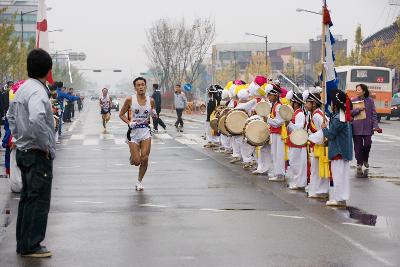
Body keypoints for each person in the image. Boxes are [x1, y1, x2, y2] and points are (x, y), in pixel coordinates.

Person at [7, 48, 55, 258]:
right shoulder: (38, 91)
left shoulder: (23, 89)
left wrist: (19, 138)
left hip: (24, 151)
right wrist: (45, 144)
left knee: (27, 199)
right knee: (38, 200)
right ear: (48, 70)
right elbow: (36, 119)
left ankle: (23, 242)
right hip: (37, 153)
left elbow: (9, 116)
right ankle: (32, 245)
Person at [119, 77, 156, 191]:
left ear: (146, 86)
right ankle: (133, 157)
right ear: (135, 87)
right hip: (133, 133)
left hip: (145, 131)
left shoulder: (151, 100)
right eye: (138, 85)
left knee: (145, 158)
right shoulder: (130, 99)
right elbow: (121, 114)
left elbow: (152, 113)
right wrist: (129, 123)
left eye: (142, 84)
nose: (141, 87)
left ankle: (139, 181)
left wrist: (154, 115)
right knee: (137, 162)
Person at [322, 89, 353, 206]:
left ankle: (339, 198)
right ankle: (341, 197)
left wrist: (324, 128)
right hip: (343, 151)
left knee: (338, 176)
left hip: (338, 151)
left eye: (332, 102)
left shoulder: (338, 118)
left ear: (336, 104)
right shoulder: (342, 116)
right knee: (342, 177)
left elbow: (330, 135)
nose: (331, 104)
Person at [304, 89, 330, 199]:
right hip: (317, 144)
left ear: (314, 104)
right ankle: (317, 189)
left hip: (319, 145)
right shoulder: (315, 113)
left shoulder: (317, 115)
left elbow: (324, 130)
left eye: (307, 103)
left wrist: (310, 137)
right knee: (316, 169)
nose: (305, 105)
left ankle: (319, 191)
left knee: (317, 169)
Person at [351, 84, 381, 173]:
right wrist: (358, 109)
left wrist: (376, 125)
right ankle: (359, 163)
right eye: (356, 90)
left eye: (359, 90)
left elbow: (374, 114)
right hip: (356, 127)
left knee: (367, 144)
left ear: (364, 91)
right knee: (358, 147)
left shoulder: (370, 101)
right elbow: (350, 113)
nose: (357, 91)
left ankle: (365, 159)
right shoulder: (353, 101)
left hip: (368, 127)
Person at [286, 91, 308, 190]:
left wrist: (288, 123)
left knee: (297, 163)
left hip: (298, 141)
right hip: (294, 141)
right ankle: (297, 181)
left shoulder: (300, 114)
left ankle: (299, 183)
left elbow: (298, 129)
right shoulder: (296, 113)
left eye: (291, 102)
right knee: (294, 162)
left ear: (295, 103)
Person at [267, 84, 286, 181]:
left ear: (275, 95)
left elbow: (280, 121)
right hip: (274, 133)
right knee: (274, 153)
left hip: (279, 133)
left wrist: (268, 120)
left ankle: (280, 174)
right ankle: (276, 172)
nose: (268, 97)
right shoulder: (273, 105)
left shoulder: (278, 106)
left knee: (279, 154)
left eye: (270, 95)